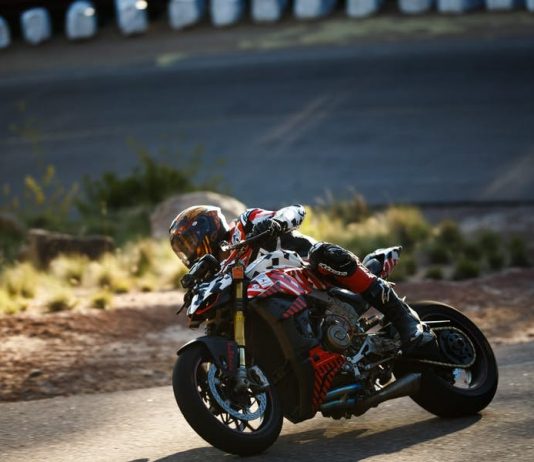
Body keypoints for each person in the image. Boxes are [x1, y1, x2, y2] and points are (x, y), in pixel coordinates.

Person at [169, 204, 436, 355]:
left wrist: (275, 223)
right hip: (276, 298)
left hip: (309, 271)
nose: (189, 251)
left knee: (324, 254)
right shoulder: (217, 271)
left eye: (189, 241)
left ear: (207, 227)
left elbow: (295, 211)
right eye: (183, 248)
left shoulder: (244, 223)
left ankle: (405, 319)